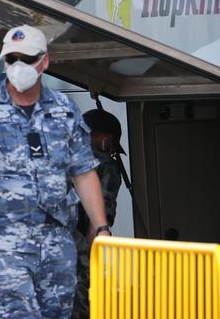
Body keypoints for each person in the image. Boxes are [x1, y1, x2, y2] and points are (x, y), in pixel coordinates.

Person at [0, 25, 110, 318]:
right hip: (2, 244)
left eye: (28, 58)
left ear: (44, 62)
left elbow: (84, 173)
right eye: (12, 59)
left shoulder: (65, 110)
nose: (19, 66)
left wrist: (100, 228)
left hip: (57, 242)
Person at [71, 108, 123, 318]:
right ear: (106, 139)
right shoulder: (105, 165)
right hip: (77, 245)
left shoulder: (61, 154)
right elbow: (98, 220)